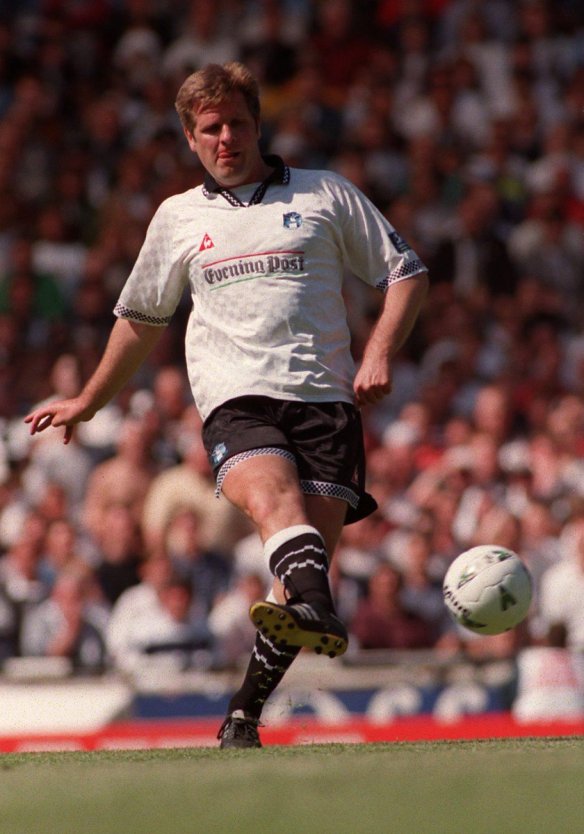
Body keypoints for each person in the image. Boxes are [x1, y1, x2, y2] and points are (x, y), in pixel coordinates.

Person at [25, 62, 429, 748]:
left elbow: (407, 274)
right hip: (237, 401)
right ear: (190, 137)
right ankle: (319, 604)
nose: (226, 138)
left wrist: (380, 351)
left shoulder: (326, 192)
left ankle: (243, 713)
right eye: (210, 128)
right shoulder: (179, 216)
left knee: (295, 573)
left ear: (257, 124)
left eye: (237, 123)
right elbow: (141, 320)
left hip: (326, 404)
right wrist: (91, 400)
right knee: (277, 508)